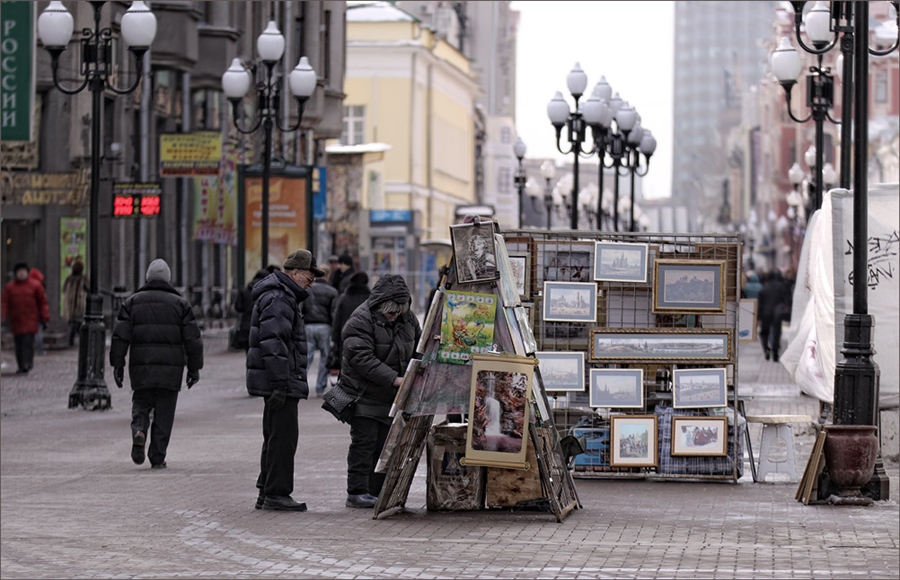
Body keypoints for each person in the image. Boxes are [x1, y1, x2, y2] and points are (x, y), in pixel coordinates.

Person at [246, 249, 322, 512]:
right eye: (309, 277)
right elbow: (274, 344)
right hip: (281, 380)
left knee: (276, 435)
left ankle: (266, 490)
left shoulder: (282, 296)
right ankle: (276, 493)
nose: (311, 283)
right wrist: (280, 383)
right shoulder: (279, 298)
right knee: (283, 438)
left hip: (280, 379)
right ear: (295, 272)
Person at [110, 259, 204, 469]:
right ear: (168, 279)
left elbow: (120, 337)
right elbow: (193, 340)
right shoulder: (181, 304)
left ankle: (139, 431)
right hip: (170, 371)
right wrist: (194, 368)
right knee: (165, 412)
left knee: (141, 404)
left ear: (147, 278)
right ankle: (157, 456)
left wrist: (118, 365)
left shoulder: (132, 303)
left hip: (141, 367)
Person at [339, 274, 421, 508]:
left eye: (398, 312)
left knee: (385, 444)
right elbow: (361, 358)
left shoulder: (408, 320)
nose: (394, 316)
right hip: (363, 393)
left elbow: (418, 347)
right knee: (364, 443)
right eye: (390, 312)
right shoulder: (360, 321)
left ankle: (377, 491)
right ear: (379, 306)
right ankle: (357, 492)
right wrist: (394, 379)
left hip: (391, 396)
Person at [2, 262, 50, 374]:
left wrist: (45, 316)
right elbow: (4, 303)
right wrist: (3, 316)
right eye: (19, 272)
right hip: (16, 321)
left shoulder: (35, 285)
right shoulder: (10, 287)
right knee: (19, 344)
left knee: (28, 343)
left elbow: (43, 302)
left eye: (23, 271)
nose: (22, 274)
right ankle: (21, 365)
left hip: (30, 320)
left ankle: (27, 364)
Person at [301, 265, 338, 396]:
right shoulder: (332, 291)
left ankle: (300, 383)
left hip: (308, 325)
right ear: (328, 275)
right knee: (325, 357)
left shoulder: (308, 291)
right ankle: (320, 387)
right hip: (324, 326)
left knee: (307, 356)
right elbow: (333, 313)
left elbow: (301, 309)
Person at [330, 271, 372, 369]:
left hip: (345, 338)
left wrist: (334, 339)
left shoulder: (343, 298)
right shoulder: (370, 299)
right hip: (367, 337)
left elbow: (337, 321)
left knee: (346, 366)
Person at [757, 270, 793, 362]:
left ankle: (766, 349)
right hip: (777, 314)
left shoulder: (764, 287)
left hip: (765, 313)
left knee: (764, 333)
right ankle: (775, 354)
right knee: (776, 334)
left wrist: (758, 317)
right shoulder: (781, 286)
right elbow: (787, 300)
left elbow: (760, 304)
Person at [232, 269, 269, 352]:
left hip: (246, 324)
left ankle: (250, 364)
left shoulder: (245, 290)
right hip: (262, 325)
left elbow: (238, 307)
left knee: (249, 351)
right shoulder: (267, 291)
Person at [62, 259, 89, 347]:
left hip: (71, 305)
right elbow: (89, 289)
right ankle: (78, 341)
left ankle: (73, 341)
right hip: (79, 305)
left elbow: (64, 290)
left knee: (74, 324)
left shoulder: (69, 279)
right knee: (77, 324)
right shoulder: (82, 279)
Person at [29, 267, 47, 356]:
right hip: (37, 314)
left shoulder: (28, 286)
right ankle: (39, 350)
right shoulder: (39, 287)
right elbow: (43, 303)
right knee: (38, 333)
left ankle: (33, 350)